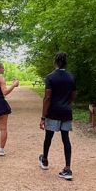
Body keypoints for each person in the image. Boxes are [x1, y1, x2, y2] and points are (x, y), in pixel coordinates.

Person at [39, 52, 76, 180]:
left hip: (53, 111)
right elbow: (73, 95)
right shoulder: (71, 77)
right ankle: (68, 168)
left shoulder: (50, 77)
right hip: (66, 111)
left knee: (48, 137)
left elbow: (47, 97)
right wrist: (67, 104)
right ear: (66, 62)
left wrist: (43, 117)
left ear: (55, 62)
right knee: (66, 139)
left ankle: (44, 160)